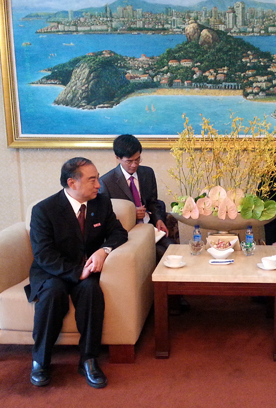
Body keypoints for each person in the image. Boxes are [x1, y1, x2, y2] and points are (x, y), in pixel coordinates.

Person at [25, 157, 128, 388]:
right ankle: (40, 361)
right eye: (92, 180)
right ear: (72, 183)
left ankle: (89, 359)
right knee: (52, 294)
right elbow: (43, 255)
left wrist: (103, 251)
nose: (98, 185)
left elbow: (118, 233)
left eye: (97, 178)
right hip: (53, 271)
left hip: (87, 271)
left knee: (91, 292)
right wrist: (75, 272)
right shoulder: (44, 210)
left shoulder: (101, 203)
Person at [99, 134, 174, 263]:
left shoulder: (147, 173)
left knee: (173, 249)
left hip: (150, 228)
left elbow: (153, 202)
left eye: (137, 159)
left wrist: (159, 220)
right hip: (129, 233)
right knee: (160, 254)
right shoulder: (106, 182)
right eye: (129, 161)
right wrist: (131, 214)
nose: (134, 165)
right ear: (118, 158)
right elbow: (105, 216)